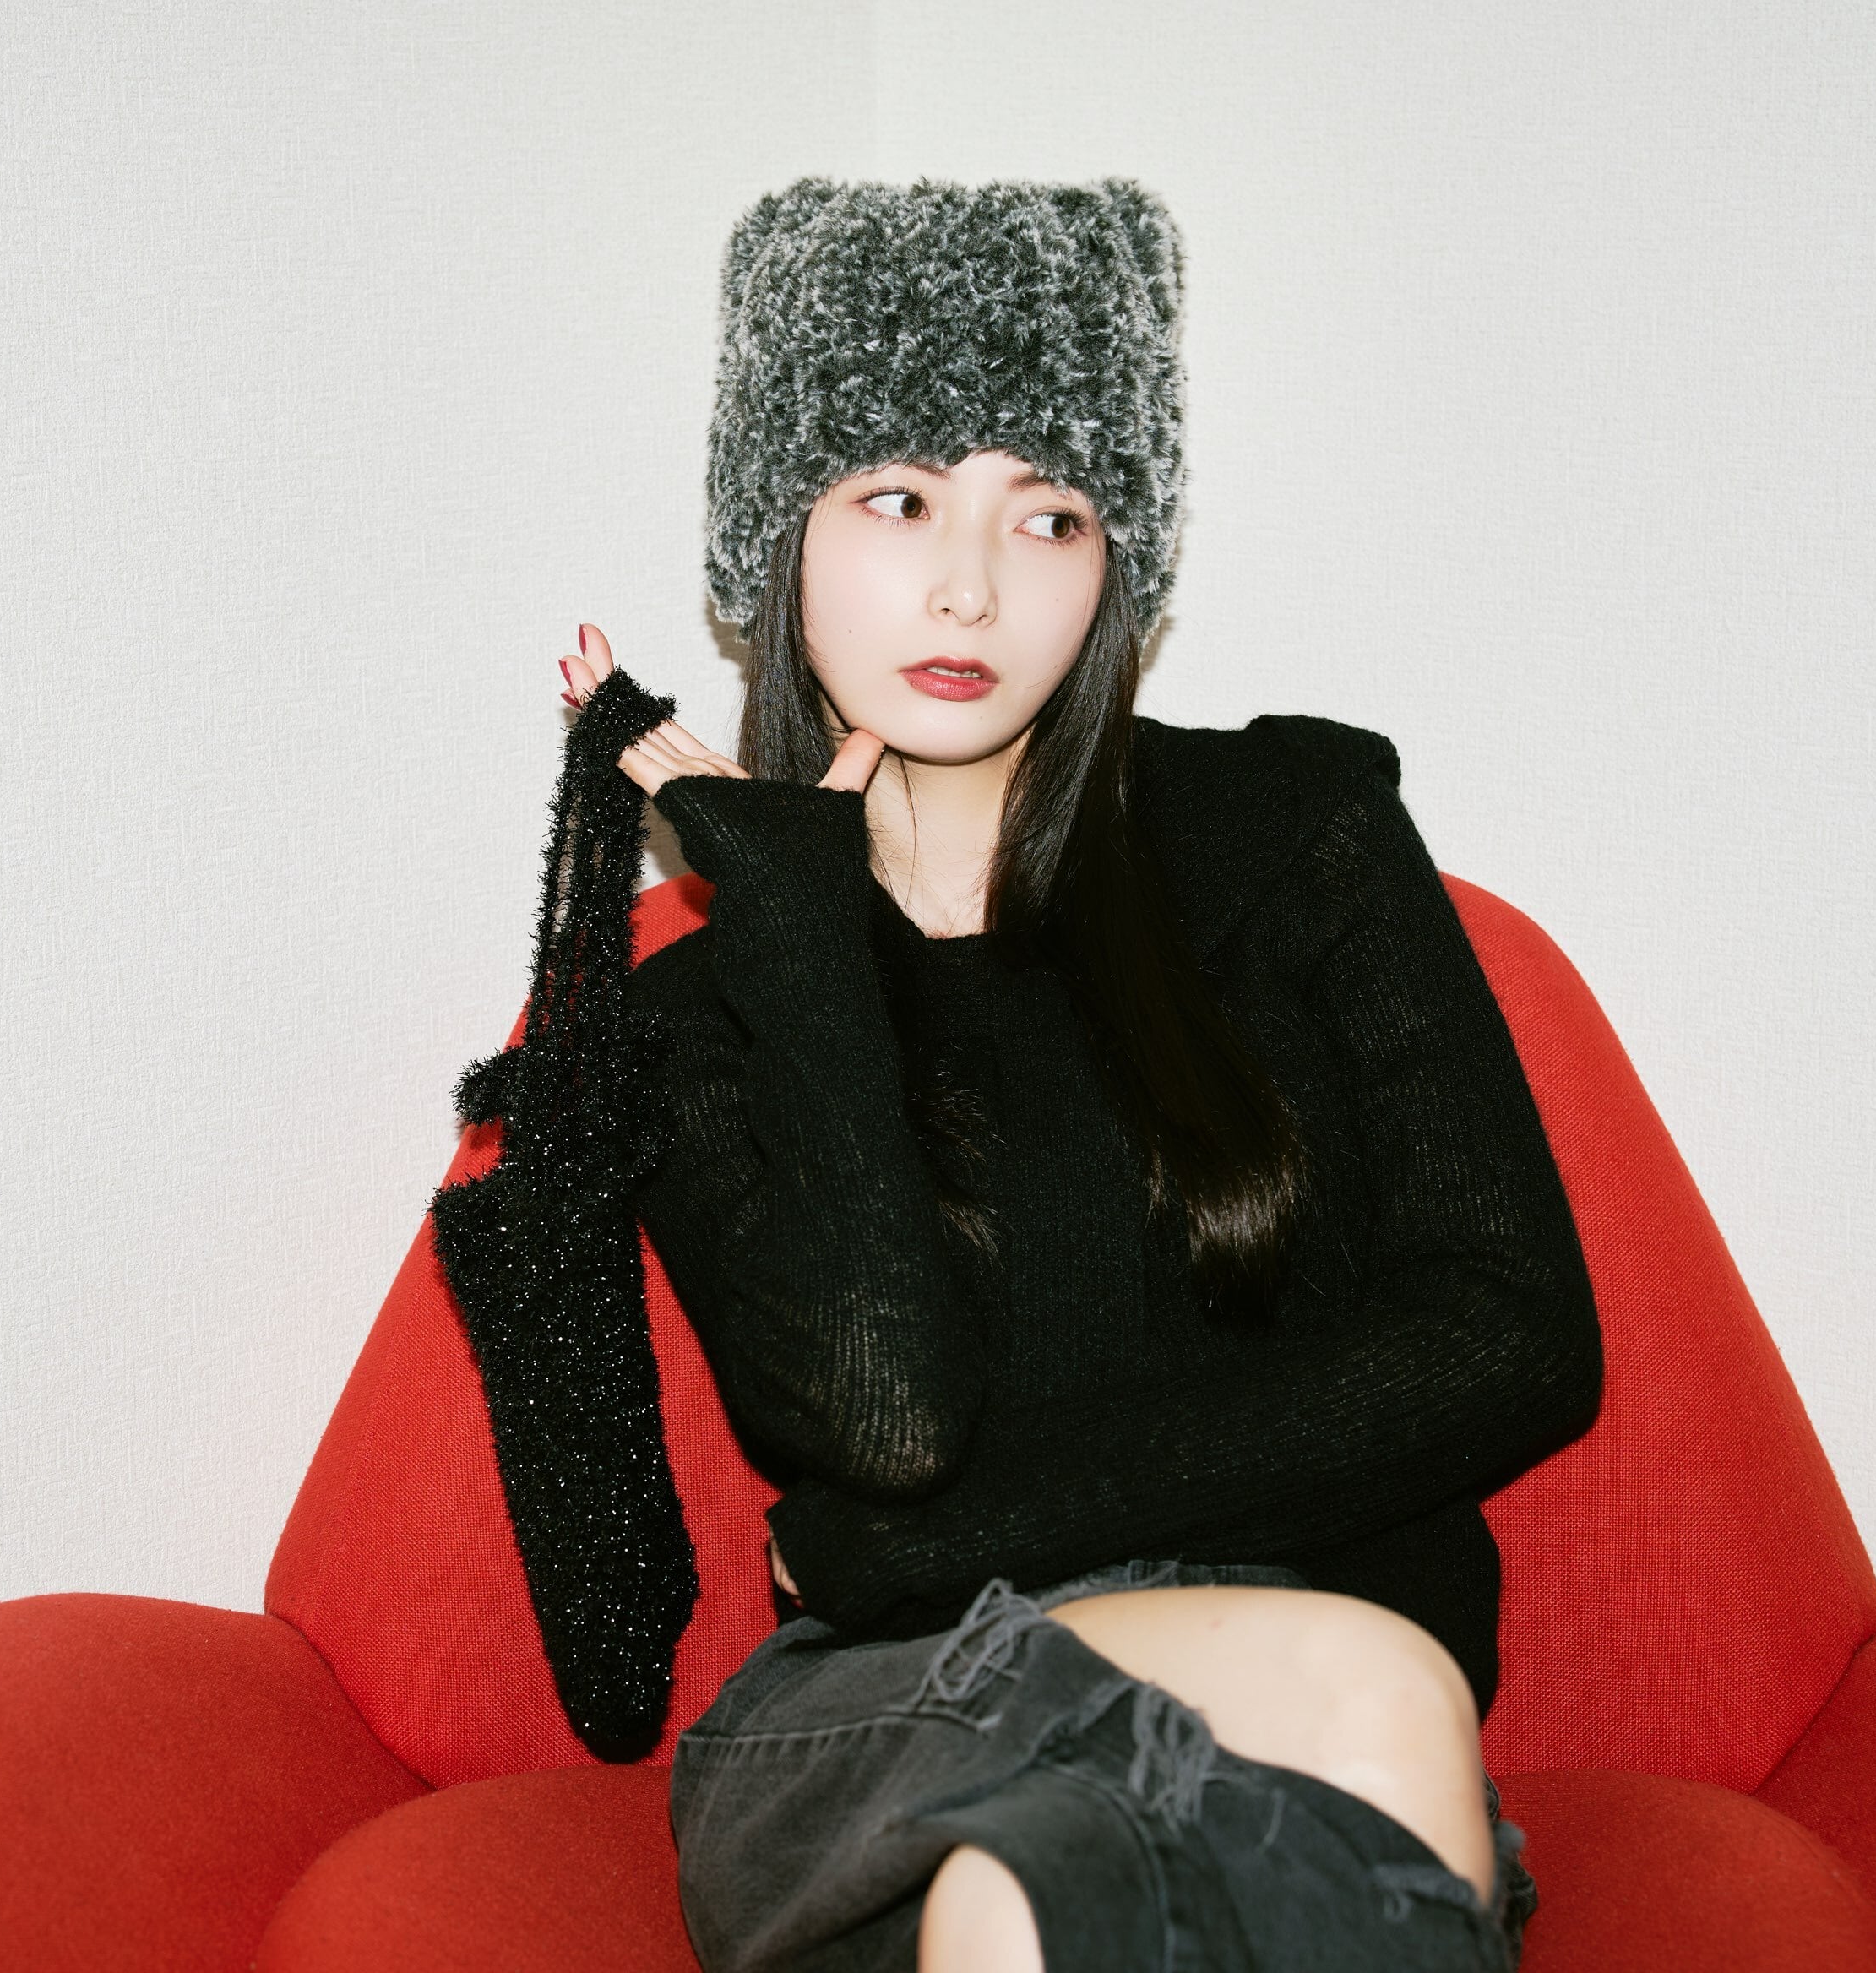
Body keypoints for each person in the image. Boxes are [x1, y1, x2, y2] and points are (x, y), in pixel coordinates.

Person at [471, 177, 1602, 1973]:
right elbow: (887, 1424)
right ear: (777, 541)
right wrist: (801, 931)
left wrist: (950, 1538)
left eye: (1050, 513)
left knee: (1199, 1798)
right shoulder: (698, 1016)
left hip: (1295, 1725)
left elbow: (1515, 1333)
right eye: (899, 497)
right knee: (1331, 1707)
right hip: (894, 1731)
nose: (971, 584)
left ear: (1115, 560)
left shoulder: (1292, 830)